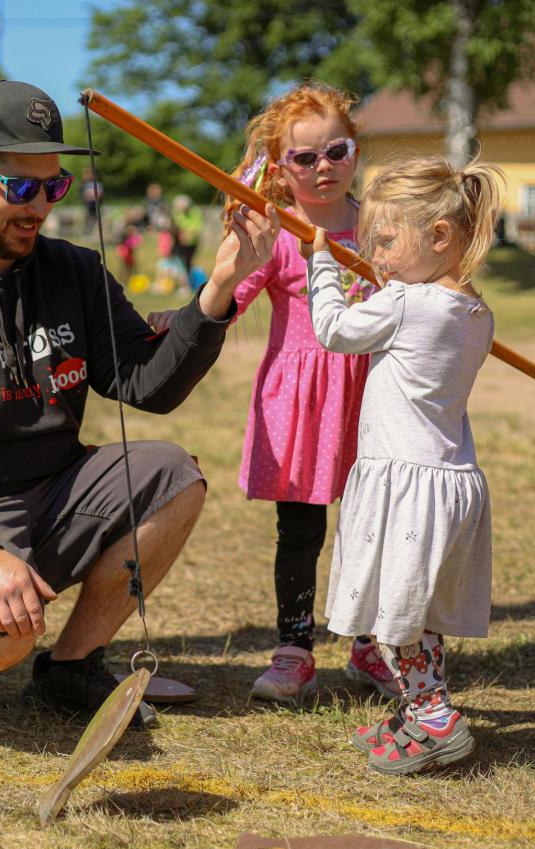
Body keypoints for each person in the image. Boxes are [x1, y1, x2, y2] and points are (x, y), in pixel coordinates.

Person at [0, 81, 281, 721]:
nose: (39, 206)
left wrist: (219, 289)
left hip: (43, 489)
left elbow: (146, 383)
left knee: (172, 475)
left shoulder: (73, 272)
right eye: (20, 186)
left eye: (54, 186)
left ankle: (70, 670)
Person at [160, 82, 383, 705]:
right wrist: (221, 272)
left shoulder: (380, 228)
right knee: (301, 530)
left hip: (371, 394)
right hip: (302, 398)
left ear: (354, 151)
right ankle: (295, 647)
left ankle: (370, 644)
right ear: (281, 169)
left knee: (372, 523)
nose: (323, 167)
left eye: (336, 151)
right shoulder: (280, 234)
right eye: (304, 158)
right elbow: (227, 303)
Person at [303, 155, 504, 774]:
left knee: (396, 616)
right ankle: (419, 709)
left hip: (405, 482)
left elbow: (333, 330)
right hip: (446, 481)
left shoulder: (409, 304)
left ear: (440, 236)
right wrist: (388, 283)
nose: (377, 257)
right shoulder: (474, 312)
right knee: (413, 609)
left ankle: (435, 718)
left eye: (386, 241)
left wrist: (322, 265)